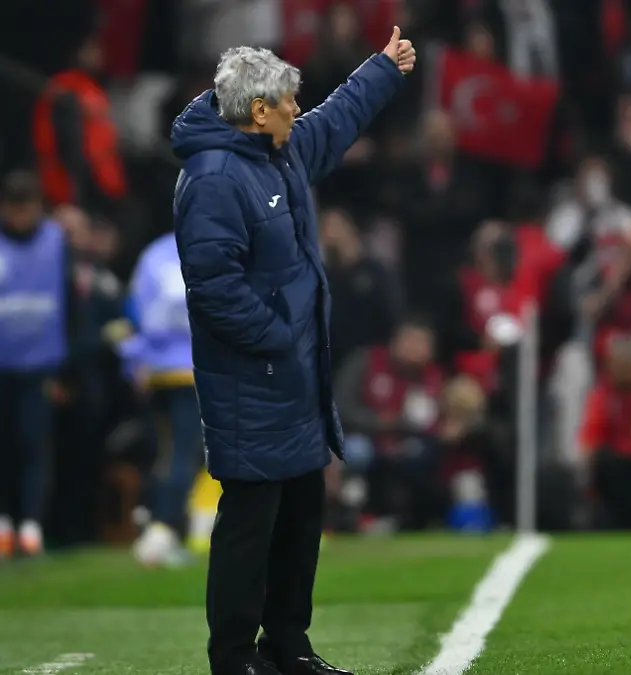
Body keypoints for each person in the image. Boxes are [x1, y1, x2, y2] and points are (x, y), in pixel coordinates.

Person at [170, 29, 416, 675]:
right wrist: (281, 334)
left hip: (294, 377)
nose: (297, 110)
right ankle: (233, 657)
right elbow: (214, 287)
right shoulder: (216, 176)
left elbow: (335, 122)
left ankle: (288, 645)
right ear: (258, 111)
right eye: (288, 101)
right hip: (254, 378)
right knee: (250, 523)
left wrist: (382, 69)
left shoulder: (273, 152)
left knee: (302, 515)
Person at [0, 172, 81, 559]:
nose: (19, 217)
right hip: (2, 362)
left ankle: (31, 525)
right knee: (5, 447)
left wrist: (68, 368)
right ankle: (3, 522)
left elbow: (72, 304)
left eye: (25, 207)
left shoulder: (55, 241)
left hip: (42, 362)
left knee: (35, 445)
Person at [120, 232, 202, 567]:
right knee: (184, 453)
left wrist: (133, 361)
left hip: (155, 371)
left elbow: (133, 311)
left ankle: (157, 525)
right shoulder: (214, 245)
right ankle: (162, 531)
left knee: (165, 453)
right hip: (194, 368)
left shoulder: (152, 254)